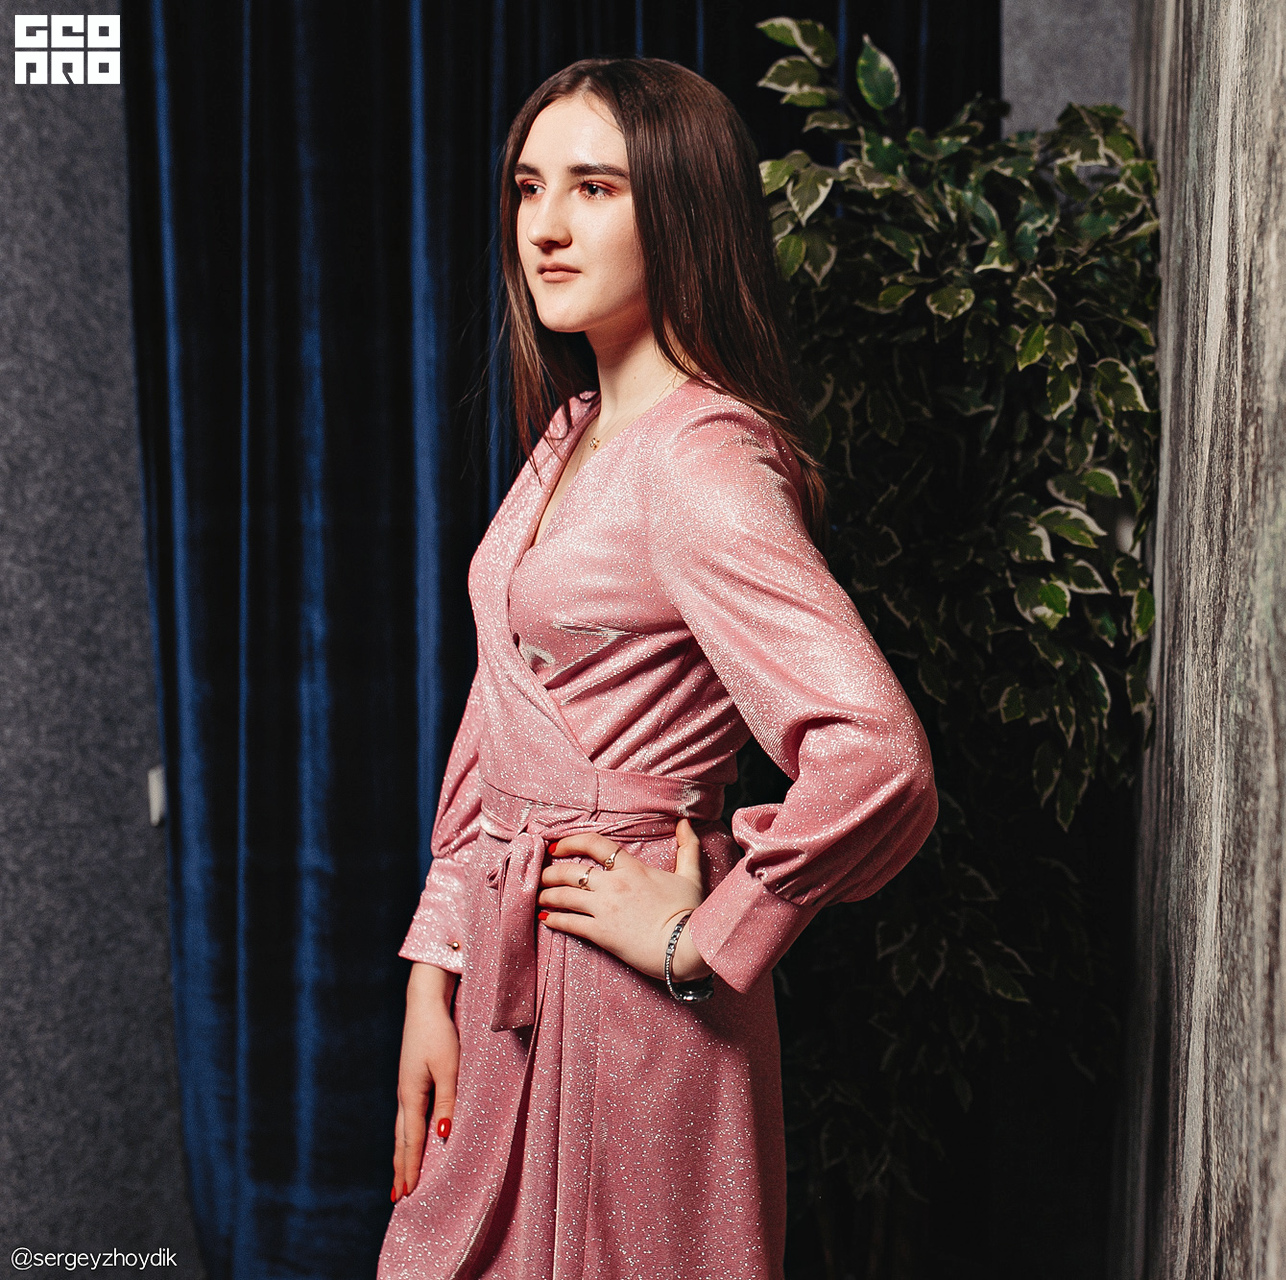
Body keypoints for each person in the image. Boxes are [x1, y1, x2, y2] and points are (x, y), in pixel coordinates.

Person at [376, 56, 938, 1279]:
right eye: (530, 187)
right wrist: (436, 964)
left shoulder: (701, 458)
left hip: (633, 1001)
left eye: (594, 187)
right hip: (513, 958)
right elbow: (500, 709)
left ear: (681, 209)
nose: (544, 225)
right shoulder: (573, 431)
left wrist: (704, 935)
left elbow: (878, 755)